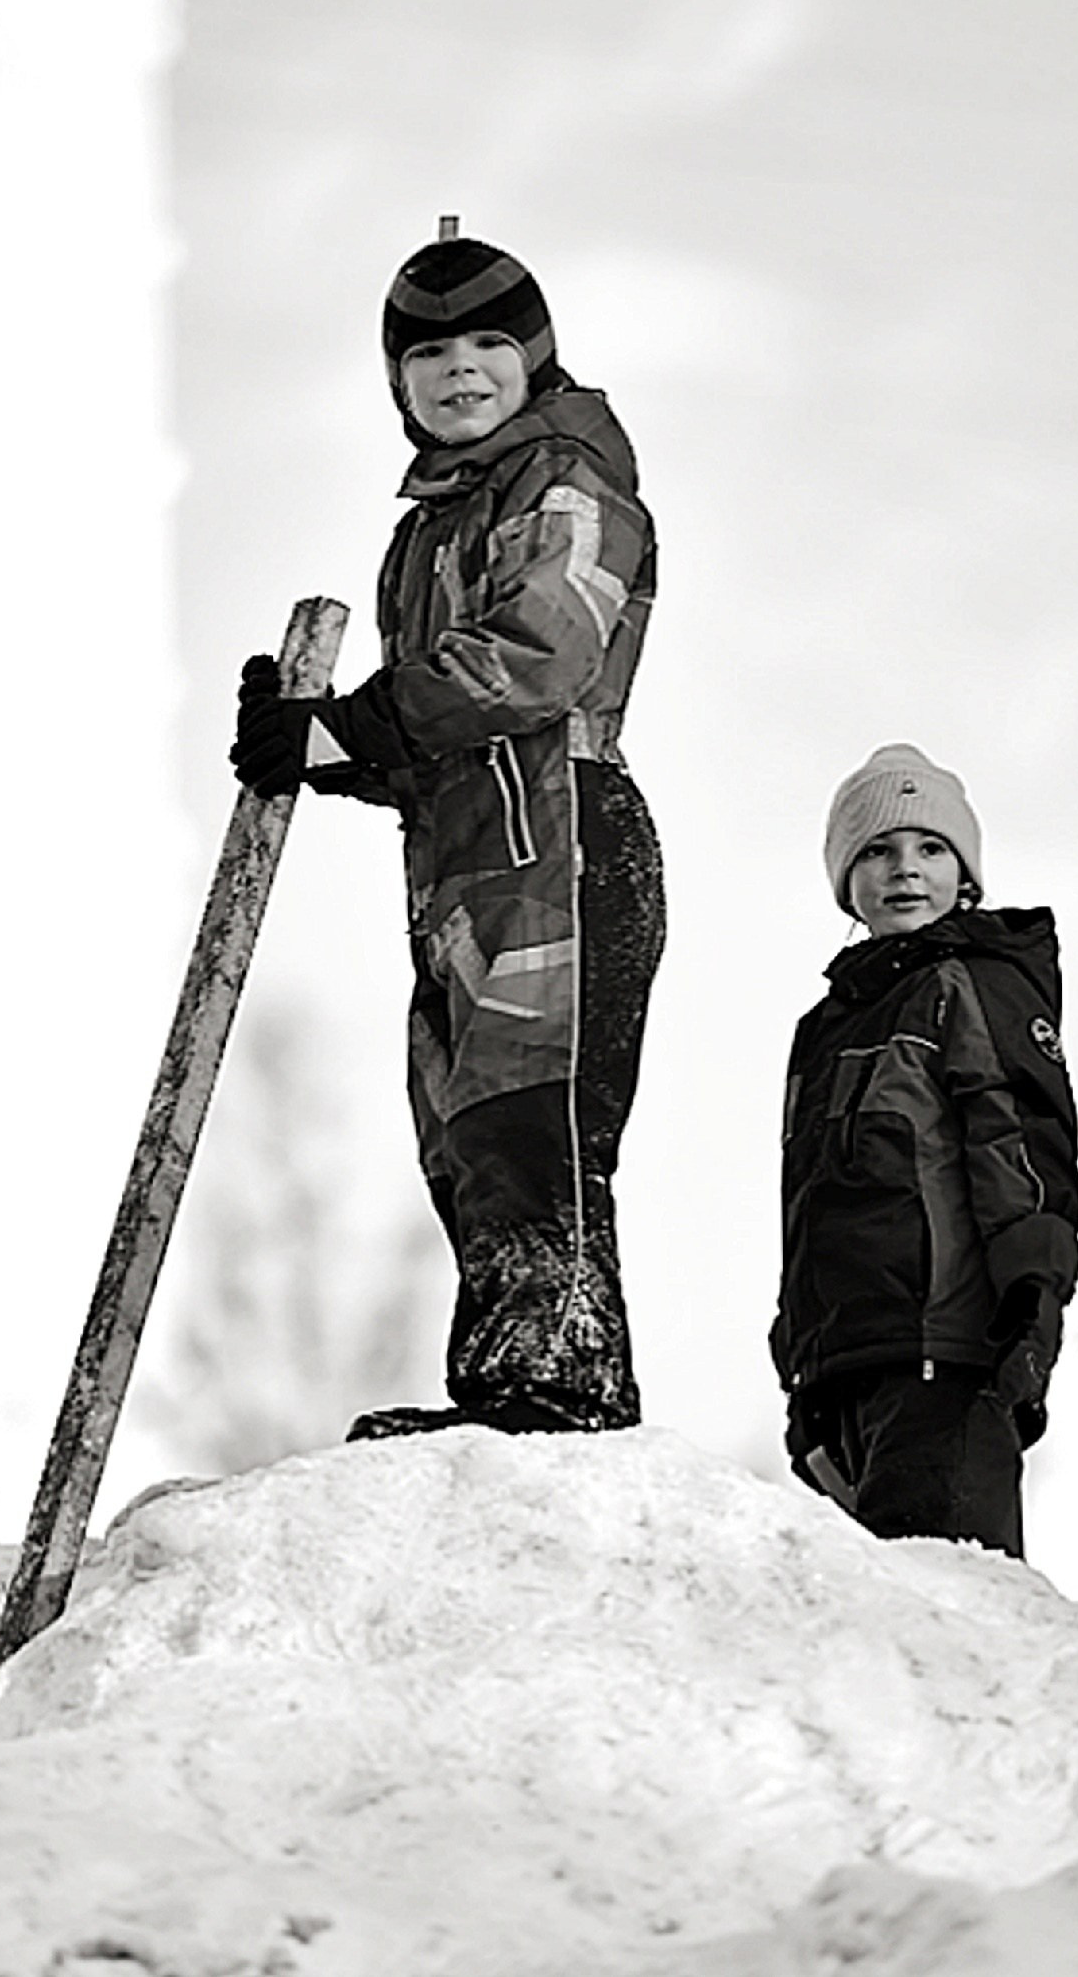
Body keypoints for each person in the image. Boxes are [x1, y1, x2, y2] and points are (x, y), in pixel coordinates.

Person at [230, 229, 663, 1441]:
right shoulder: (426, 532)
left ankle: (558, 1388)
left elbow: (538, 658)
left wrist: (355, 722)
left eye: (485, 342)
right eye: (427, 352)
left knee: (534, 1123)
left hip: (561, 845)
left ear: (532, 356)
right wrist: (321, 750)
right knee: (470, 1133)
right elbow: (436, 734)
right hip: (465, 864)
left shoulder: (566, 485)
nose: (458, 369)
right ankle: (510, 1386)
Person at [769, 744, 1078, 1557]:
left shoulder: (972, 985)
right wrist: (801, 1373)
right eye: (877, 850)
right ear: (847, 881)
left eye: (931, 848)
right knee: (873, 1652)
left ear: (965, 876)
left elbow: (1022, 1150)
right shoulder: (828, 1028)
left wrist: (1031, 1306)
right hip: (850, 1378)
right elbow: (808, 1207)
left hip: (950, 1362)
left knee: (950, 1622)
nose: (905, 870)